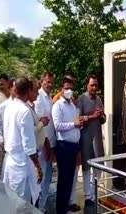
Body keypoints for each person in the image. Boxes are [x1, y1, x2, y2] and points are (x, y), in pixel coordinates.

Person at [2, 77, 42, 205]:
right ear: (29, 90)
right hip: (21, 164)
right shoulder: (24, 111)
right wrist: (37, 166)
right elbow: (29, 146)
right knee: (22, 204)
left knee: (11, 202)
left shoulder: (9, 106)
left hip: (10, 161)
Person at [52, 77, 83, 214]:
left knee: (70, 179)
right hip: (64, 146)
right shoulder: (58, 105)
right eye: (66, 88)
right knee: (63, 180)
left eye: (71, 88)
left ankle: (66, 207)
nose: (69, 91)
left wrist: (79, 124)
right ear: (61, 89)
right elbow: (57, 126)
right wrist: (73, 124)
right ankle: (61, 210)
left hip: (73, 147)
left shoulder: (72, 105)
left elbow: (75, 123)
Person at [77, 75, 106, 206]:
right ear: (87, 85)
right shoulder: (81, 99)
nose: (94, 87)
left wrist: (102, 116)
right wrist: (92, 116)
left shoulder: (99, 99)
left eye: (96, 85)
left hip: (98, 137)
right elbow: (78, 119)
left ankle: (94, 194)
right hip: (86, 137)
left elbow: (103, 119)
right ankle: (88, 196)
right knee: (87, 166)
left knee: (99, 164)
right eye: (92, 85)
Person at [34, 71, 56, 212]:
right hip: (43, 144)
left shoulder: (49, 97)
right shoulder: (39, 98)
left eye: (51, 82)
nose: (49, 84)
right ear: (42, 81)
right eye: (47, 82)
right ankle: (38, 207)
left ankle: (42, 207)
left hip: (51, 142)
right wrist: (47, 143)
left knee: (48, 176)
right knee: (40, 177)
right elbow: (39, 123)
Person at [0, 79, 15, 178]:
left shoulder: (24, 104)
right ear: (11, 88)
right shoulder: (3, 104)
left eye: (2, 84)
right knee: (1, 170)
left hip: (16, 148)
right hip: (4, 145)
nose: (0, 87)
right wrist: (0, 139)